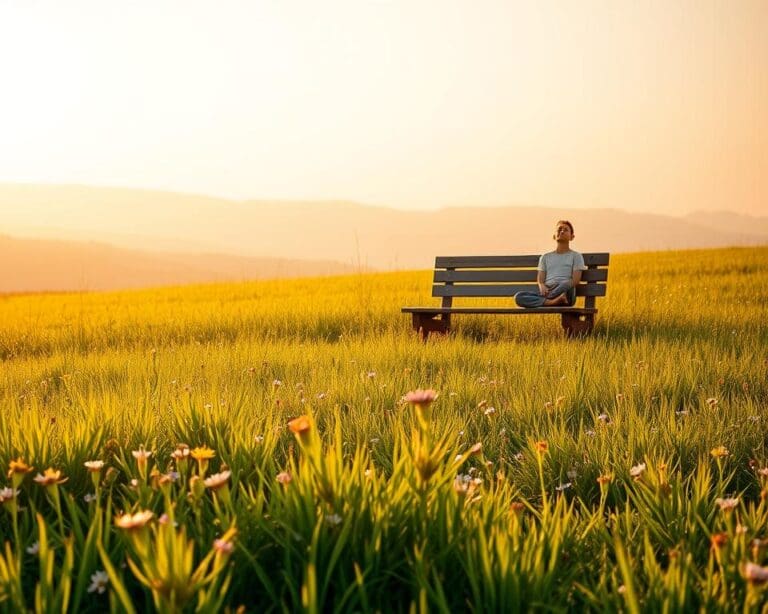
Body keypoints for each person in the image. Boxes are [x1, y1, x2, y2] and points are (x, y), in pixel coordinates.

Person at [515, 220, 587, 308]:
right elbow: (541, 280)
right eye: (559, 229)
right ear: (554, 236)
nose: (562, 231)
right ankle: (553, 302)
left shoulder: (576, 256)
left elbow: (575, 280)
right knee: (518, 297)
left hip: (566, 293)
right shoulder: (545, 257)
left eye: (566, 230)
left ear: (572, 237)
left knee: (566, 285)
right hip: (548, 291)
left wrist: (559, 288)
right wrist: (542, 286)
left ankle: (547, 300)